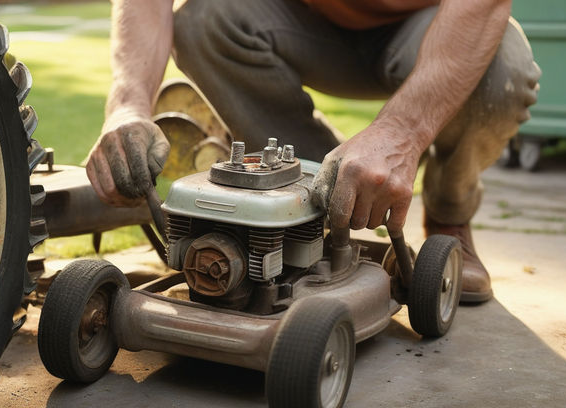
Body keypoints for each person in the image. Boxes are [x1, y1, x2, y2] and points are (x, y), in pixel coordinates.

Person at [86, 0, 541, 303]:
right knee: (203, 19)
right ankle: (315, 190)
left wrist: (402, 131)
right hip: (297, 20)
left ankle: (449, 217)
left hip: (429, 26)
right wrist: (127, 105)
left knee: (502, 67)